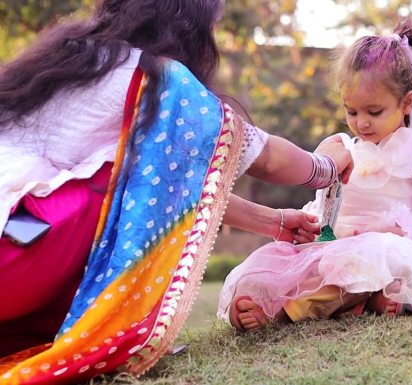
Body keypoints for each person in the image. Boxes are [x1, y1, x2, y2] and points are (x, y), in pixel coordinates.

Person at [0, 0, 352, 383]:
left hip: (16, 247)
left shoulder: (76, 57)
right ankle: (115, 335)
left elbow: (171, 185)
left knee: (122, 184)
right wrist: (328, 168)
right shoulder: (160, 79)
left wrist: (275, 221)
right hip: (17, 258)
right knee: (104, 193)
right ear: (190, 23)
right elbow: (264, 156)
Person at [218, 17, 412, 332]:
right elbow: (325, 205)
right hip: (337, 246)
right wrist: (317, 227)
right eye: (351, 111)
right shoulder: (343, 150)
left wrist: (392, 231)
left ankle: (287, 312)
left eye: (374, 112)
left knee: (370, 261)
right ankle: (343, 301)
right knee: (275, 267)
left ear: (407, 103)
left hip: (390, 250)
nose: (361, 123)